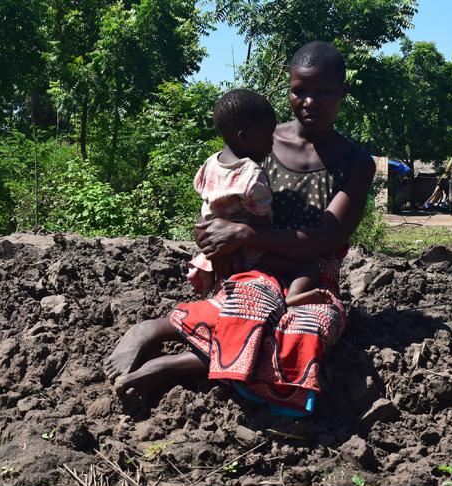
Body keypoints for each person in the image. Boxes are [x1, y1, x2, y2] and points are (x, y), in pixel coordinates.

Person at [104, 41, 375, 416]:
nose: (310, 101)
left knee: (306, 330)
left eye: (324, 92)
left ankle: (169, 367)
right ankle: (151, 330)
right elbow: (219, 199)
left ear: (343, 92)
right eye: (300, 91)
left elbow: (325, 239)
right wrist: (213, 236)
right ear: (289, 89)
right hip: (254, 266)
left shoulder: (356, 163)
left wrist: (245, 234)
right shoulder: (259, 136)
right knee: (249, 311)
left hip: (311, 276)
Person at [187, 88, 330, 306]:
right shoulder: (252, 175)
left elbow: (204, 202)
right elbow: (264, 223)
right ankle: (293, 296)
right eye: (267, 137)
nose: (272, 144)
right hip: (249, 250)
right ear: (244, 137)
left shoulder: (210, 164)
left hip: (216, 246)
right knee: (309, 268)